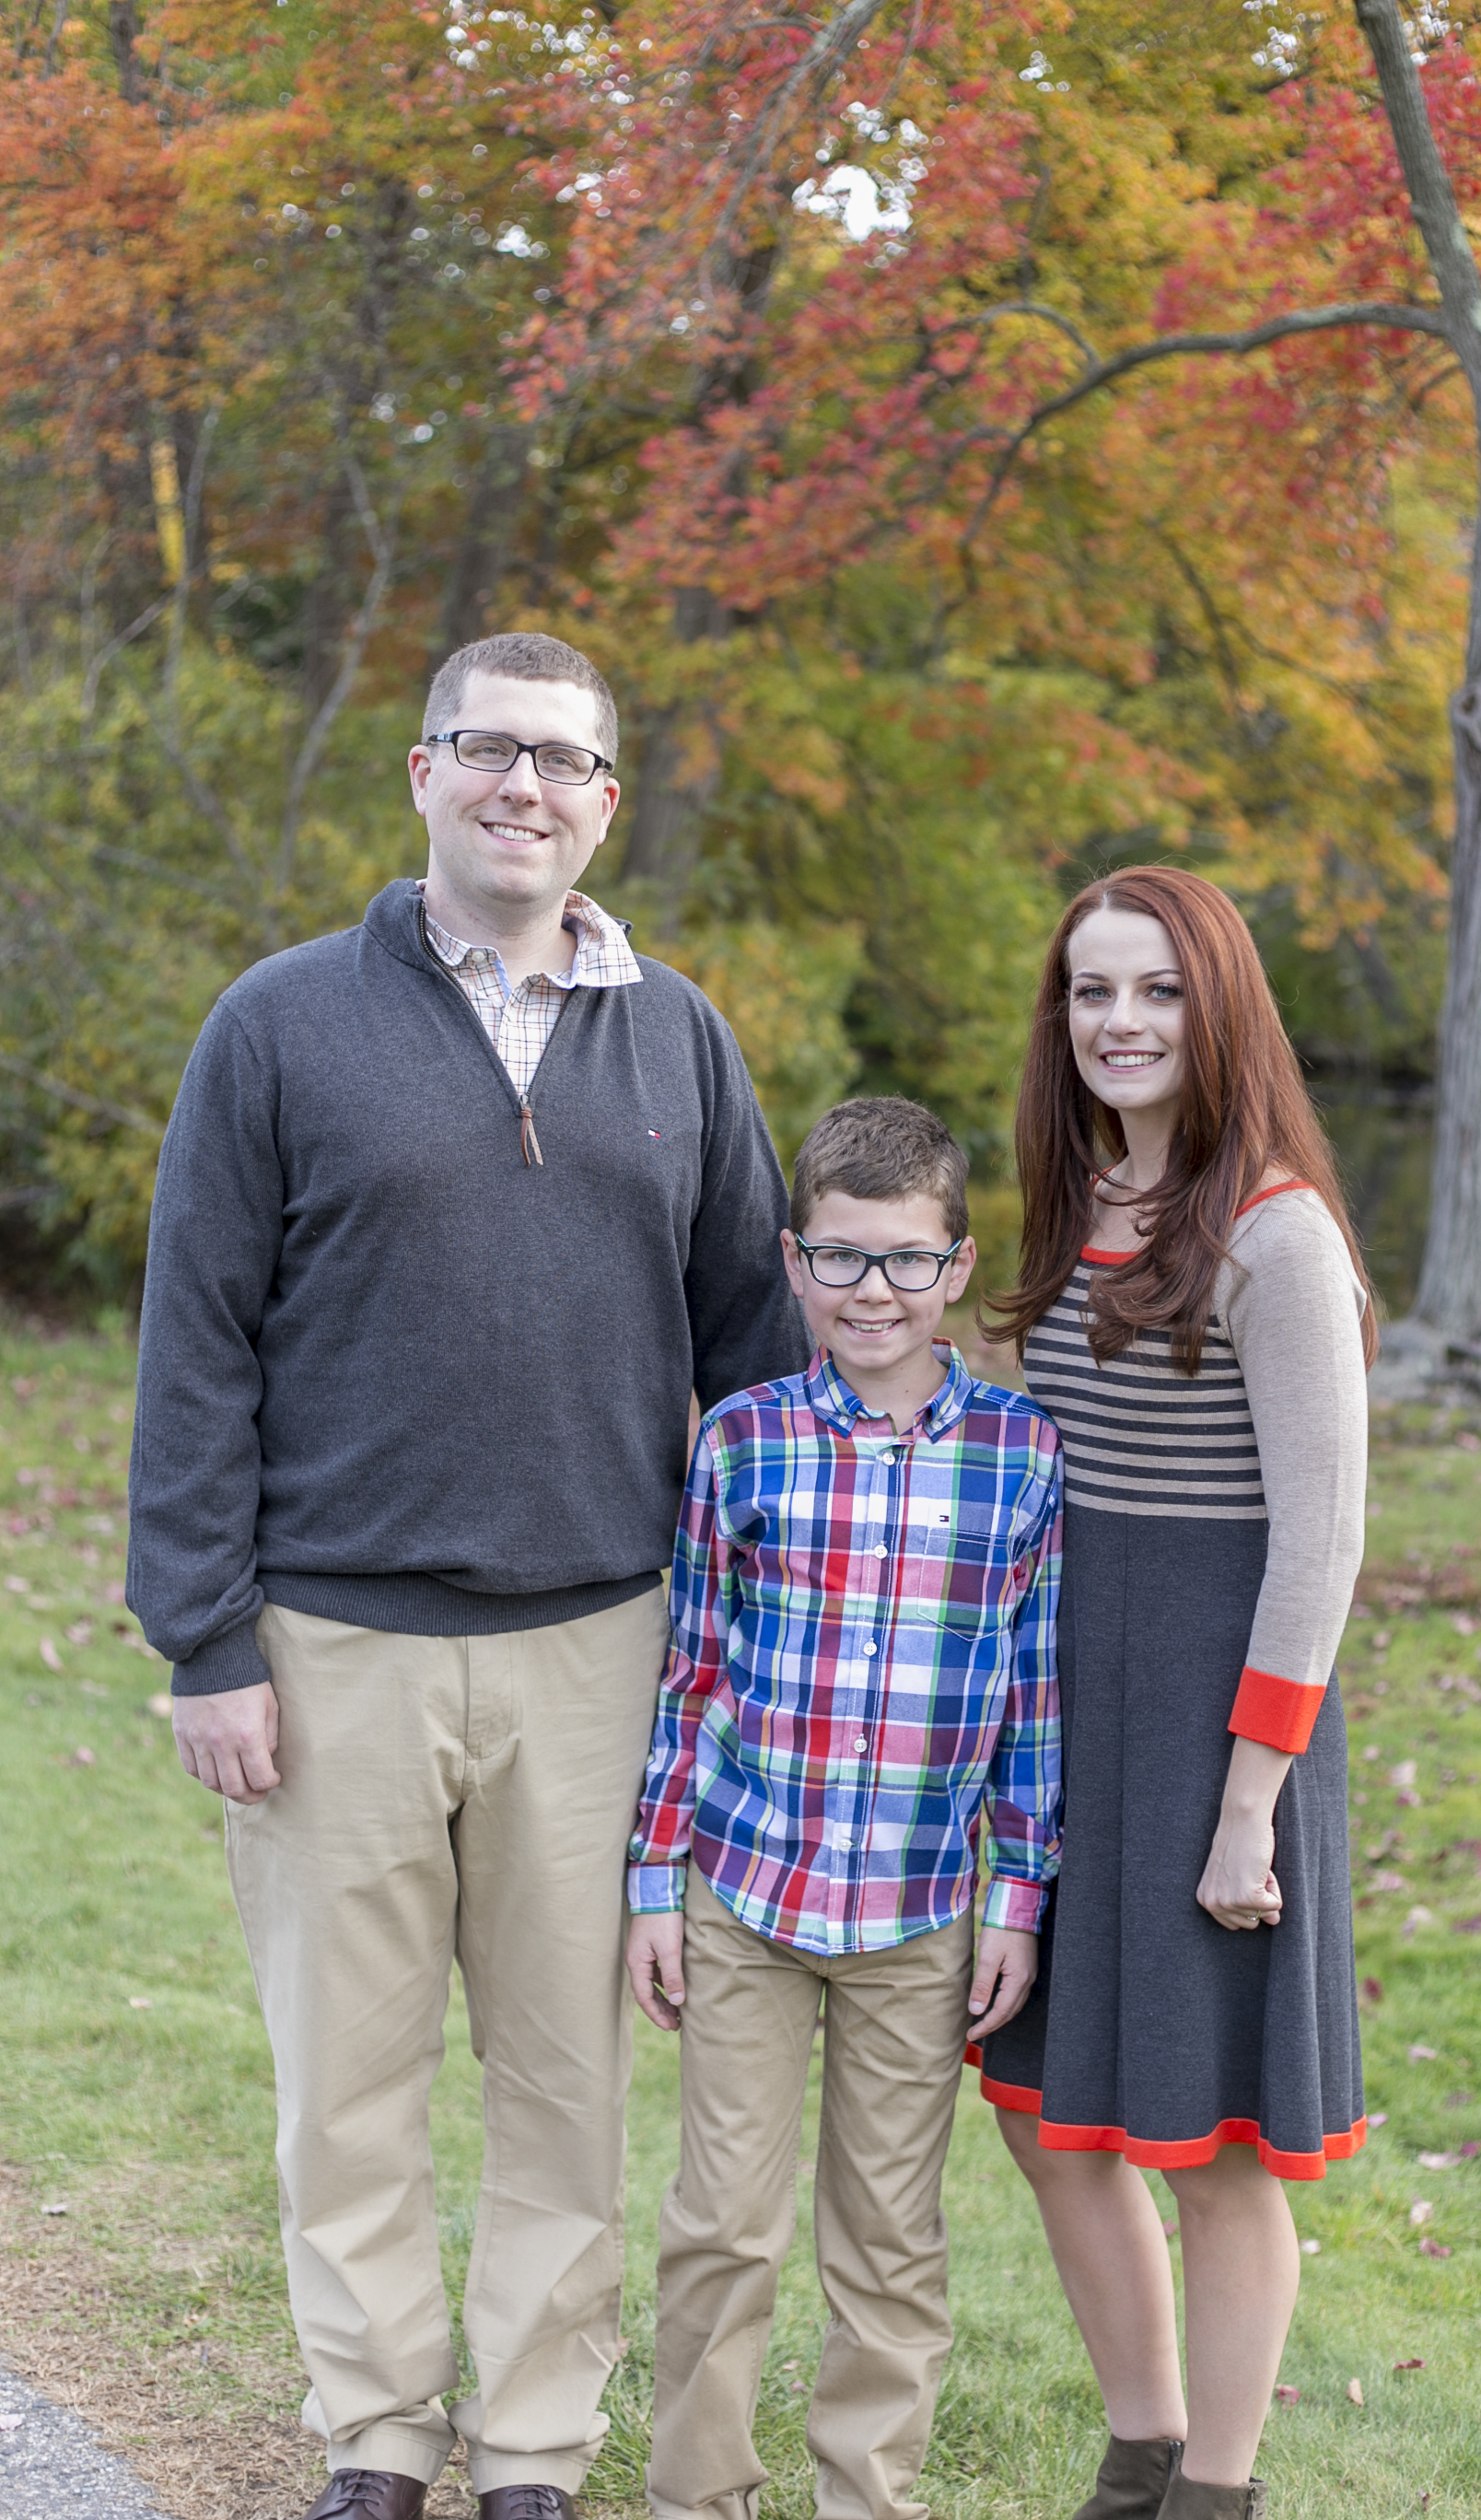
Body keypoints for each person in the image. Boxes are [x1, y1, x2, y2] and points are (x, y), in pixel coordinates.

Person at [126, 631, 809, 2520]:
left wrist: (752, 1634)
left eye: (564, 762)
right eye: (490, 750)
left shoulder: (676, 1036)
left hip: (605, 1643)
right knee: (345, 2086)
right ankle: (375, 2436)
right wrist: (205, 1639)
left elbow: (750, 1343)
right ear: (422, 773)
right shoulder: (276, 1025)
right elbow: (196, 1346)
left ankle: (525, 2446)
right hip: (330, 1636)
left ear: (604, 800)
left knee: (563, 2085)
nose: (526, 787)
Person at [977, 869, 1374, 2520]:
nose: (1120, 1024)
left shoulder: (1275, 1232)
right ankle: (1138, 2450)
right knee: (1045, 2110)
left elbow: (1325, 1540)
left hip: (1224, 1723)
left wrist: (1245, 1808)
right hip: (1081, 1705)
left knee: (1211, 2149)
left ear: (1221, 1014)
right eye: (1091, 992)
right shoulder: (1079, 1205)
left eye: (1158, 993)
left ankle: (1216, 2490)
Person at [622, 1096, 1063, 2520]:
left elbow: (1032, 1701)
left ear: (957, 1267)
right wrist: (652, 1883)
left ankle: (868, 2496)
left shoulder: (1022, 1454)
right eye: (843, 1259)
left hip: (923, 1912)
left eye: (908, 1261)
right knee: (721, 2228)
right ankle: (700, 2493)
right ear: (795, 1263)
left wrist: (1018, 1896)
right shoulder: (742, 1441)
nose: (875, 1292)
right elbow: (689, 1675)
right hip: (745, 1893)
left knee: (889, 2239)